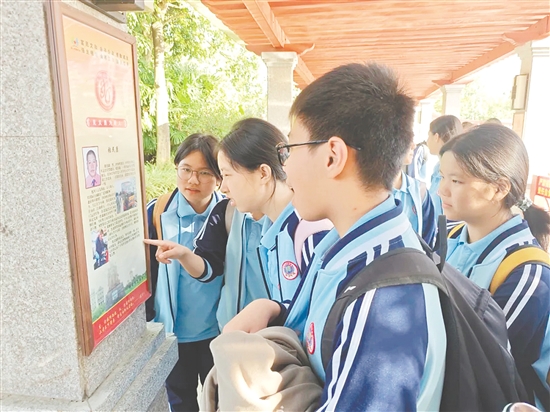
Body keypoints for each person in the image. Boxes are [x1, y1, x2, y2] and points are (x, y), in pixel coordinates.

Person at [225, 63, 447, 410]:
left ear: (333, 156)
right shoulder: (345, 243)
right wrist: (273, 309)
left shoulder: (382, 301)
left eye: (290, 149)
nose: (286, 167)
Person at [145, 118, 330, 329]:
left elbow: (325, 325)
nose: (223, 187)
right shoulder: (276, 232)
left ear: (263, 173)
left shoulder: (310, 232)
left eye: (226, 175)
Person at [439, 124, 550, 410]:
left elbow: (483, 366)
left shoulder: (527, 274)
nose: (441, 190)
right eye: (442, 177)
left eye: (456, 181)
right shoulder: (448, 238)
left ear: (499, 188)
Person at [144, 134, 224, 412]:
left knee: (223, 402)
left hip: (218, 332)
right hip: (173, 334)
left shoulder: (232, 214)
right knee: (180, 403)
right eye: (186, 169)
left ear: (219, 177)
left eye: (204, 173)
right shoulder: (157, 211)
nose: (193, 180)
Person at [394, 142, 436, 246]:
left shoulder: (419, 191)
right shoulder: (365, 192)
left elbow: (427, 242)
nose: (413, 146)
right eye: (406, 139)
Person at [426, 115, 463, 218]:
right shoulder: (438, 166)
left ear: (436, 137)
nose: (427, 141)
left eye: (429, 136)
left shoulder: (448, 167)